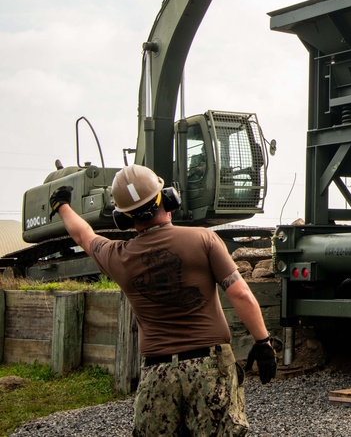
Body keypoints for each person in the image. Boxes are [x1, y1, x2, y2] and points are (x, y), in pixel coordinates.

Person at [48, 164, 276, 436]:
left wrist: (62, 205)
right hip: (209, 368)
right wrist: (262, 342)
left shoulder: (117, 256)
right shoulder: (205, 239)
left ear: (123, 218)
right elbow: (240, 293)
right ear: (167, 198)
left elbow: (83, 236)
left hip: (157, 374)